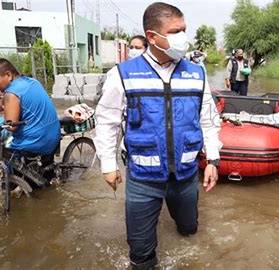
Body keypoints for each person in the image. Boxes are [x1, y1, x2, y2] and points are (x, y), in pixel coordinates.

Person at [93, 2, 221, 269]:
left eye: (184, 29)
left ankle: (184, 227)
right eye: (175, 31)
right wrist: (108, 165)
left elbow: (208, 119)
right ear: (152, 37)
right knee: (140, 254)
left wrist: (212, 160)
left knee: (189, 229)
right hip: (143, 179)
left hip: (185, 176)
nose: (183, 37)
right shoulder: (122, 75)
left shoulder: (196, 74)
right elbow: (107, 121)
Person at [0, 58, 60, 166]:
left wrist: (4, 121)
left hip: (35, 143)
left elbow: (11, 126)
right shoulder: (31, 82)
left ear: (8, 75)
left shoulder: (11, 93)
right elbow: (7, 102)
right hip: (53, 137)